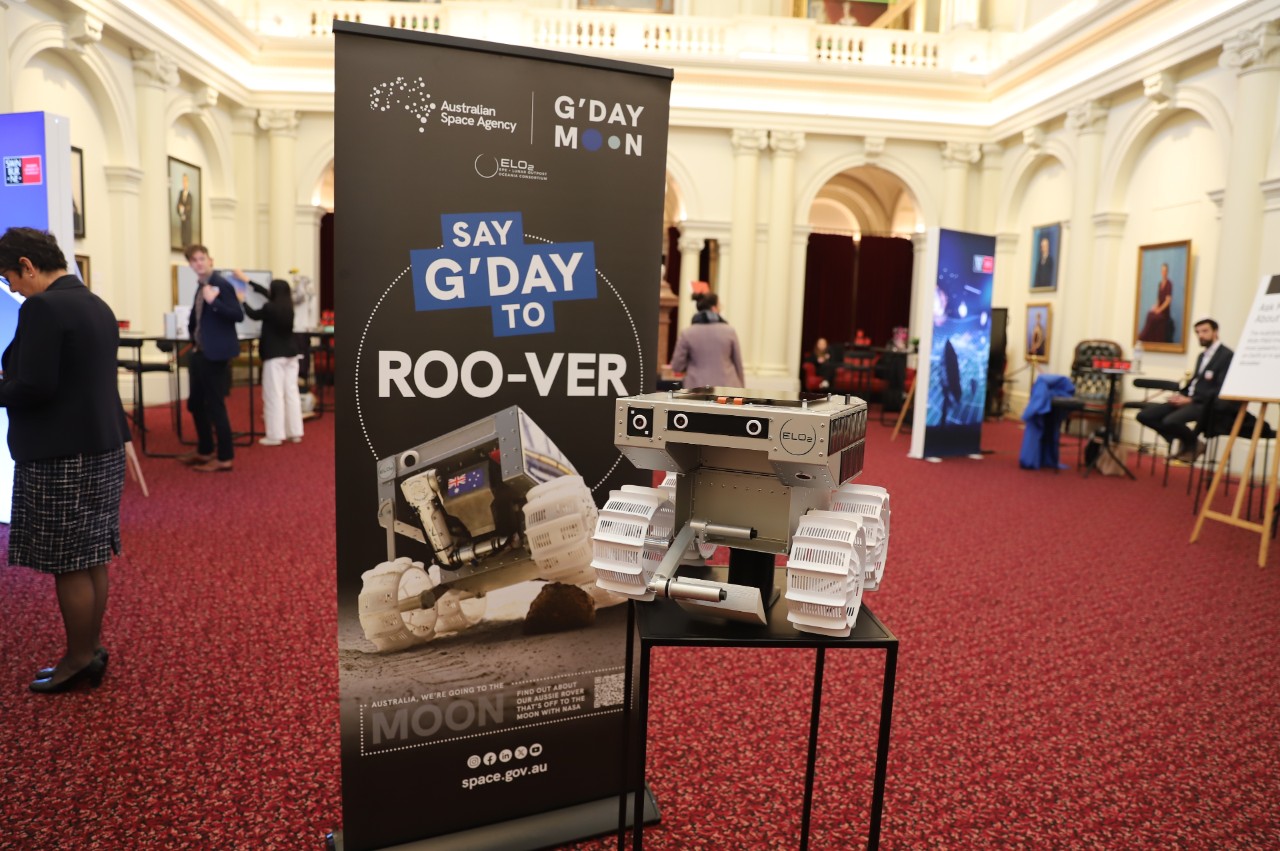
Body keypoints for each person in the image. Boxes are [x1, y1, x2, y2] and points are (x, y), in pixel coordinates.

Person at [0, 227, 130, 693]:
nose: (12, 288)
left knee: (70, 563)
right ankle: (89, 649)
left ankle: (77, 658)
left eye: (9, 278)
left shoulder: (43, 307)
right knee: (93, 555)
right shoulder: (95, 303)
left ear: (28, 266)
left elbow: (35, 387)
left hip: (61, 454)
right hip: (103, 445)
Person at [1136, 318, 1234, 462]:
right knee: (1145, 415)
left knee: (1171, 421)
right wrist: (1181, 396)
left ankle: (1190, 444)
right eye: (1198, 332)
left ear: (1215, 332)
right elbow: (1196, 381)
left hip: (1203, 403)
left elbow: (1220, 387)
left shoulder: (1226, 355)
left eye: (1205, 331)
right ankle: (1189, 442)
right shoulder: (1202, 356)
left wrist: (1191, 400)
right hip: (1188, 398)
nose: (1200, 335)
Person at [182, 244, 244, 472]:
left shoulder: (221, 284)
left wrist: (214, 303)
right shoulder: (202, 285)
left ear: (210, 260)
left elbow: (237, 315)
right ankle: (205, 450)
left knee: (215, 406)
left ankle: (225, 457)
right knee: (195, 404)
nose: (198, 263)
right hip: (200, 351)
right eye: (194, 260)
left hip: (215, 354)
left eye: (201, 258)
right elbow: (197, 319)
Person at [242, 278, 303, 446]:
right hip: (292, 354)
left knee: (273, 395)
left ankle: (275, 435)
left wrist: (242, 301)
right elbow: (267, 294)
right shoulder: (289, 308)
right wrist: (249, 282)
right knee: (291, 394)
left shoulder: (269, 308)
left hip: (274, 356)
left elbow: (253, 315)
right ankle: (295, 432)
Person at [670, 292, 744, 389]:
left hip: (696, 389)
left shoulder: (687, 333)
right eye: (719, 306)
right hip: (727, 389)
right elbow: (738, 364)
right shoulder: (729, 331)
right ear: (714, 308)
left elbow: (677, 366)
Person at [1138, 263, 1176, 343]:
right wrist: (1155, 307)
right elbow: (1158, 299)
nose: (1163, 272)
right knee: (1150, 313)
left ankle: (1143, 337)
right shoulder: (1160, 284)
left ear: (1167, 272)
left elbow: (1168, 301)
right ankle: (1144, 338)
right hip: (1159, 309)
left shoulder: (1169, 284)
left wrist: (1159, 309)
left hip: (1165, 312)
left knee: (1153, 317)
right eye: (1162, 270)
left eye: (1165, 270)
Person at [176, 173, 194, 249]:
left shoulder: (190, 195)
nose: (184, 183)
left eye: (186, 181)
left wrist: (184, 210)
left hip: (187, 221)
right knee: (183, 238)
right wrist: (181, 211)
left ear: (188, 182)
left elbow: (189, 208)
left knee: (187, 239)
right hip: (182, 220)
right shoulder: (180, 194)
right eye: (183, 181)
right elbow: (178, 205)